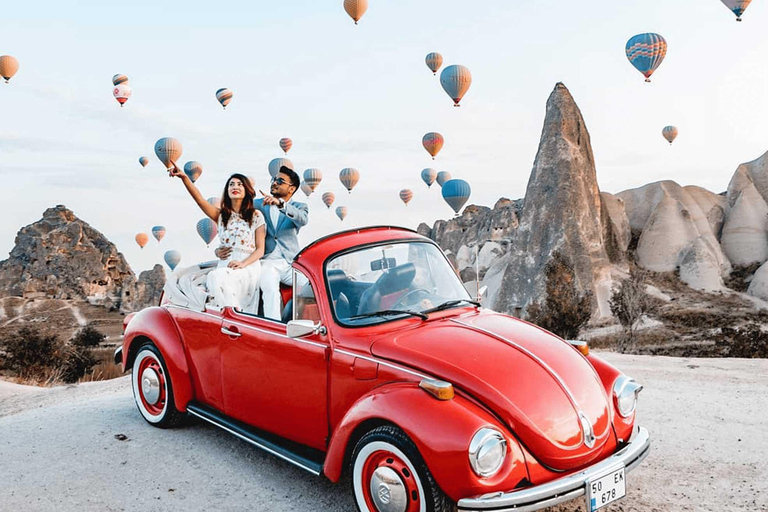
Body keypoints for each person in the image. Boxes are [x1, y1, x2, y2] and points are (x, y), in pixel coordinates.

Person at [169, 164, 266, 313]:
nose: (235, 187)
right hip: (225, 265)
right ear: (227, 191)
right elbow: (200, 200)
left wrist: (243, 263)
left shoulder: (256, 215)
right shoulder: (221, 216)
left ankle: (234, 317)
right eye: (231, 184)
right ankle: (229, 316)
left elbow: (260, 249)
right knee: (185, 278)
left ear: (247, 190)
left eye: (240, 184)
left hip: (247, 266)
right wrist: (184, 178)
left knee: (215, 276)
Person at [216, 166, 308, 320]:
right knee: (269, 286)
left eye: (280, 181)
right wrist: (218, 250)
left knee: (314, 285)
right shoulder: (257, 205)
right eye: (274, 179)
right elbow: (234, 225)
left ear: (291, 188)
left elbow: (302, 219)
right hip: (268, 261)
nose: (275, 183)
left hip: (291, 262)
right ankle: (275, 325)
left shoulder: (299, 207)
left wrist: (280, 204)